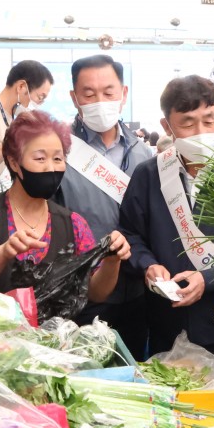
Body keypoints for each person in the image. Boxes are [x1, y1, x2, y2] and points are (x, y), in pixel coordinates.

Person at [119, 75, 214, 387]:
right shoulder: (149, 175)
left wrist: (208, 279)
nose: (201, 132)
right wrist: (147, 265)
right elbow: (130, 234)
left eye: (209, 120)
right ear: (167, 126)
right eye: (188, 123)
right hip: (166, 328)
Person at [0, 111, 130, 302]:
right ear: (14, 162)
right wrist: (3, 252)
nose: (51, 168)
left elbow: (96, 292)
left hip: (55, 331)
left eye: (58, 159)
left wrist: (112, 261)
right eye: (39, 159)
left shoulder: (73, 224)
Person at [59, 54, 153, 358]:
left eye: (109, 92)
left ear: (124, 94)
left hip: (138, 289)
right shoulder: (59, 153)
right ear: (74, 98)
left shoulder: (144, 154)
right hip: (81, 293)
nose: (100, 101)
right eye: (89, 94)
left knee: (135, 371)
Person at [0, 60, 54, 176]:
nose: (39, 104)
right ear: (21, 87)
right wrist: (10, 143)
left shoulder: (10, 118)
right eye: (40, 97)